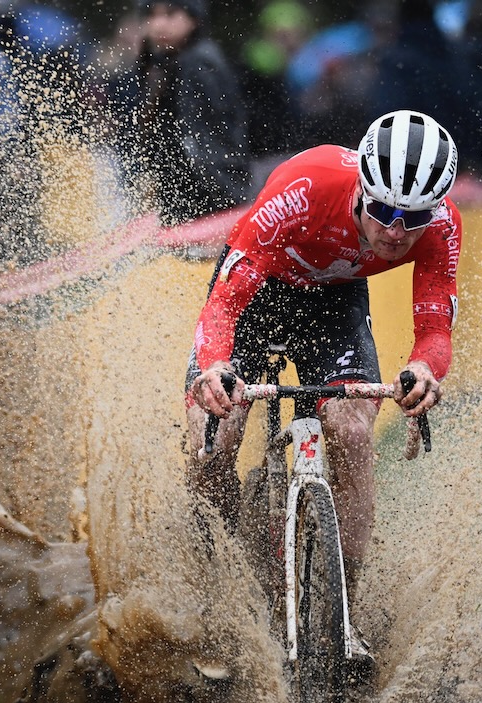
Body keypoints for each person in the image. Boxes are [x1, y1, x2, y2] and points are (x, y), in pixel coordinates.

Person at [183, 110, 461, 647]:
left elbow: (433, 327)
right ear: (361, 187)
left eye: (414, 217)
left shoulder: (444, 225)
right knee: (212, 443)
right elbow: (224, 302)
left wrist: (425, 369)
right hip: (258, 293)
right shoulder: (306, 187)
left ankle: (342, 619)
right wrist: (217, 364)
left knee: (352, 432)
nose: (395, 230)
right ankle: (210, 593)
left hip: (334, 306)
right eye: (381, 209)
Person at [109, 0, 250, 225]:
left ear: (193, 19)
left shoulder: (200, 63)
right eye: (151, 15)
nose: (158, 24)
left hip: (206, 200)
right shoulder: (162, 61)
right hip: (183, 194)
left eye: (170, 14)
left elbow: (206, 142)